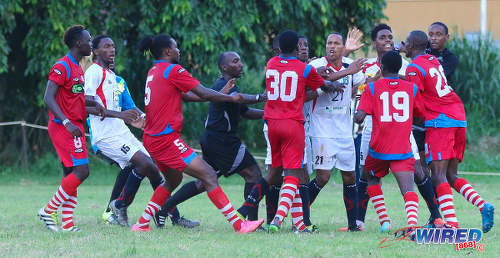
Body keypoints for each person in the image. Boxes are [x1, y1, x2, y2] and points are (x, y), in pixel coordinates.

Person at [131, 33, 263, 233]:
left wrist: (222, 95)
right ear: (167, 51)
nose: (179, 50)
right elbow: (202, 92)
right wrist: (230, 98)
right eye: (176, 47)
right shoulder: (173, 69)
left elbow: (188, 96)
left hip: (152, 138)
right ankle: (239, 224)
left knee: (173, 181)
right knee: (209, 175)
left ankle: (141, 223)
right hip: (165, 138)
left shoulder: (154, 70)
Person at [84, 35, 191, 228]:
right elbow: (85, 103)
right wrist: (119, 115)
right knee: (143, 164)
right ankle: (119, 205)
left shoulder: (114, 78)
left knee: (152, 168)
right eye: (107, 47)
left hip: (121, 132)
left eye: (113, 46)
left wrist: (148, 120)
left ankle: (169, 215)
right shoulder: (93, 71)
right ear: (96, 51)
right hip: (105, 136)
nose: (112, 50)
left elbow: (130, 110)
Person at [155, 51, 266, 224]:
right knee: (253, 174)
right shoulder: (222, 86)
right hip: (223, 141)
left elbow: (245, 111)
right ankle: (251, 220)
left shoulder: (228, 86)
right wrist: (262, 97)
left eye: (240, 60)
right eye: (235, 61)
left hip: (213, 140)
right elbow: (239, 100)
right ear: (224, 67)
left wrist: (268, 114)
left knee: (203, 182)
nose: (241, 64)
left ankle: (164, 209)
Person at [402, 30, 494, 233]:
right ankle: (483, 205)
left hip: (440, 120)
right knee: (451, 174)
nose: (403, 45)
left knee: (438, 175)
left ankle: (451, 224)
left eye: (406, 42)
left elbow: (415, 100)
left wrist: (408, 119)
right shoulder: (432, 59)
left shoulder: (413, 67)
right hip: (458, 115)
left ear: (412, 45)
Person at [358, 24, 443, 228]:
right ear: (375, 42)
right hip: (391, 135)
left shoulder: (400, 68)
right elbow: (420, 112)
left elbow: (360, 114)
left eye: (390, 36)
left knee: (412, 172)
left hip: (385, 138)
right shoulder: (367, 66)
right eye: (383, 37)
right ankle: (362, 221)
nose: (388, 40)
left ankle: (431, 215)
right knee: (400, 182)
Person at [264, 30, 343, 233]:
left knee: (285, 171)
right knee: (293, 173)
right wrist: (335, 84)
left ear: (280, 47)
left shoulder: (271, 64)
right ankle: (277, 219)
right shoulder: (303, 68)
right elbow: (323, 86)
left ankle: (299, 223)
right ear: (297, 48)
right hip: (292, 123)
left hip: (272, 123)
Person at [38, 25, 105, 232]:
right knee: (82, 171)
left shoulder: (78, 67)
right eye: (89, 40)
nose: (91, 43)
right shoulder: (62, 66)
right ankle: (48, 210)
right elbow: (48, 98)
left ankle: (67, 224)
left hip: (75, 125)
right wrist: (66, 122)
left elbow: (74, 98)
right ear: (78, 43)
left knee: (71, 172)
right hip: (63, 127)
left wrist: (94, 104)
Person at [354, 50, 423, 232]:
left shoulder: (372, 88)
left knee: (371, 178)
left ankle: (384, 220)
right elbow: (419, 116)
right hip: (402, 147)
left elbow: (360, 117)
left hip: (378, 148)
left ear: (381, 67)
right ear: (400, 68)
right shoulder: (411, 88)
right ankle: (412, 225)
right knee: (408, 188)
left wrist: (357, 112)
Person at [306, 32, 366, 231]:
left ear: (342, 47)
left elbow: (355, 89)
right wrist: (348, 72)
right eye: (328, 43)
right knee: (322, 177)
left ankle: (352, 225)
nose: (331, 46)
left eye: (336, 43)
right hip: (322, 130)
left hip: (344, 132)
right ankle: (301, 217)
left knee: (350, 177)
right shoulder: (316, 66)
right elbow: (324, 79)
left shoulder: (352, 66)